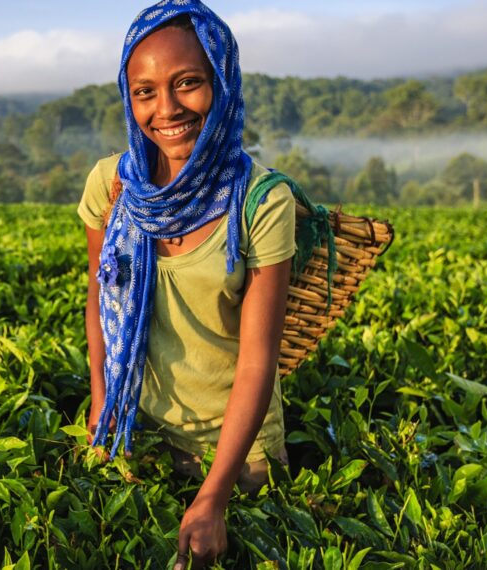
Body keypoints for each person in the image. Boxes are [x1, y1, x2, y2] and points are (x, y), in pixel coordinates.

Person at [77, 2, 296, 568]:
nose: (167, 109)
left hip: (236, 457)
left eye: (188, 84)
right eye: (145, 91)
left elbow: (257, 361)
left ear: (221, 82)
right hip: (139, 432)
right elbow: (100, 296)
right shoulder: (114, 183)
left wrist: (214, 497)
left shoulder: (262, 201)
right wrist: (103, 402)